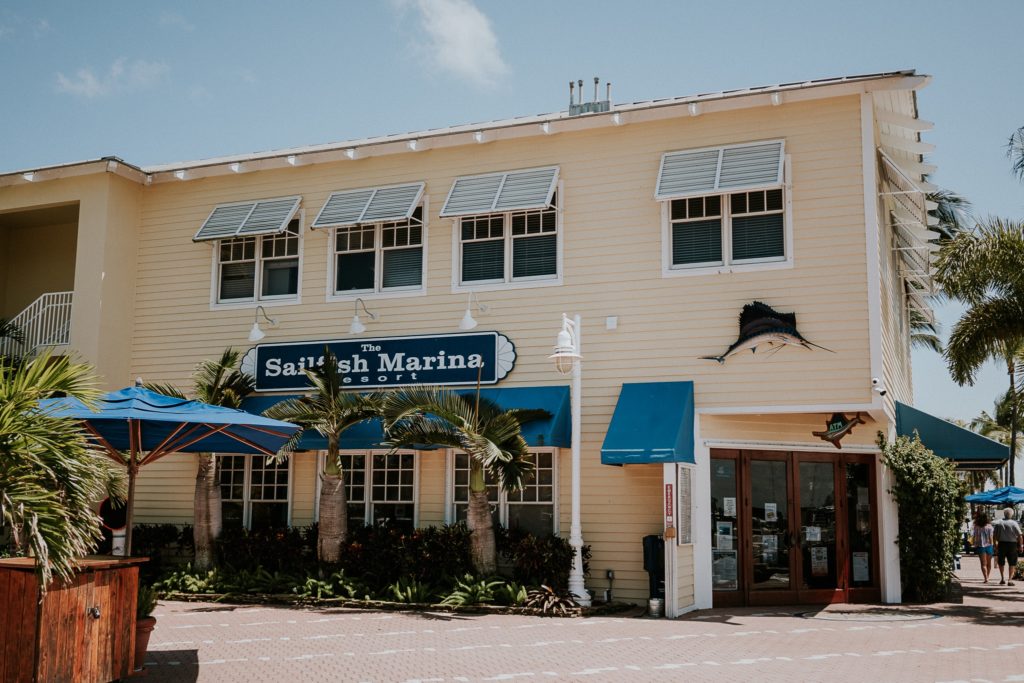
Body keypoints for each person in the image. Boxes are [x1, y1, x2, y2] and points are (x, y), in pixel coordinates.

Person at [992, 507, 1023, 586]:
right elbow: (1020, 535)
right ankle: (1009, 579)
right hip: (1012, 544)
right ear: (1011, 514)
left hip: (1001, 544)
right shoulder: (1014, 523)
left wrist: (995, 546)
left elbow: (994, 536)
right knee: (1012, 562)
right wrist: (1021, 546)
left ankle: (1002, 578)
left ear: (1004, 514)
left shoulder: (999, 523)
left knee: (1001, 562)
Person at [971, 512, 994, 583]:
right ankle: (988, 577)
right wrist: (992, 545)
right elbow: (991, 538)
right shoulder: (990, 526)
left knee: (983, 564)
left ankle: (986, 578)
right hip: (989, 546)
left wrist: (974, 543)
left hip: (980, 546)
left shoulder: (976, 527)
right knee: (989, 563)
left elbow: (974, 537)